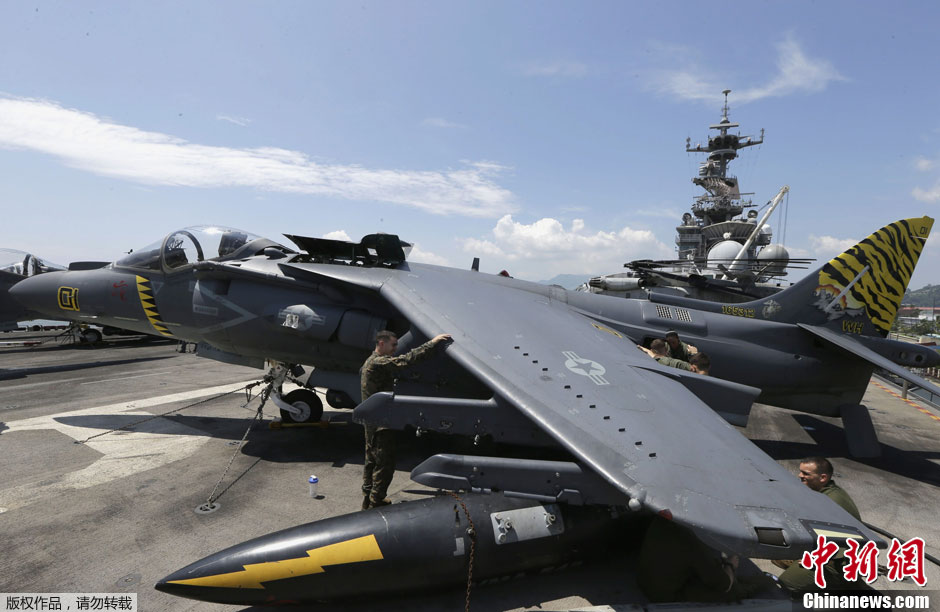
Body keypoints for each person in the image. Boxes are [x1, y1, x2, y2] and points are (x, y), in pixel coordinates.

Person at [360, 330, 451, 510]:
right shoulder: (378, 362)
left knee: (371, 461)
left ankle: (368, 499)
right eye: (393, 345)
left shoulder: (370, 361)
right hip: (381, 424)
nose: (395, 348)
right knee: (384, 464)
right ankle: (376, 502)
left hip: (373, 421)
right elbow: (406, 361)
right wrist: (432, 343)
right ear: (381, 343)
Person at [774, 457, 863, 593]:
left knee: (786, 584)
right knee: (778, 553)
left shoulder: (831, 502)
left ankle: (844, 584)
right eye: (801, 471)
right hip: (832, 550)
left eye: (806, 473)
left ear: (823, 478)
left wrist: (814, 557)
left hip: (839, 560)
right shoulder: (824, 491)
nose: (800, 475)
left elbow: (838, 541)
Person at [637, 515, 740, 603]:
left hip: (644, 581)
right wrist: (730, 565)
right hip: (663, 596)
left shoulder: (662, 518)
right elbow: (724, 584)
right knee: (734, 590)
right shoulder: (691, 539)